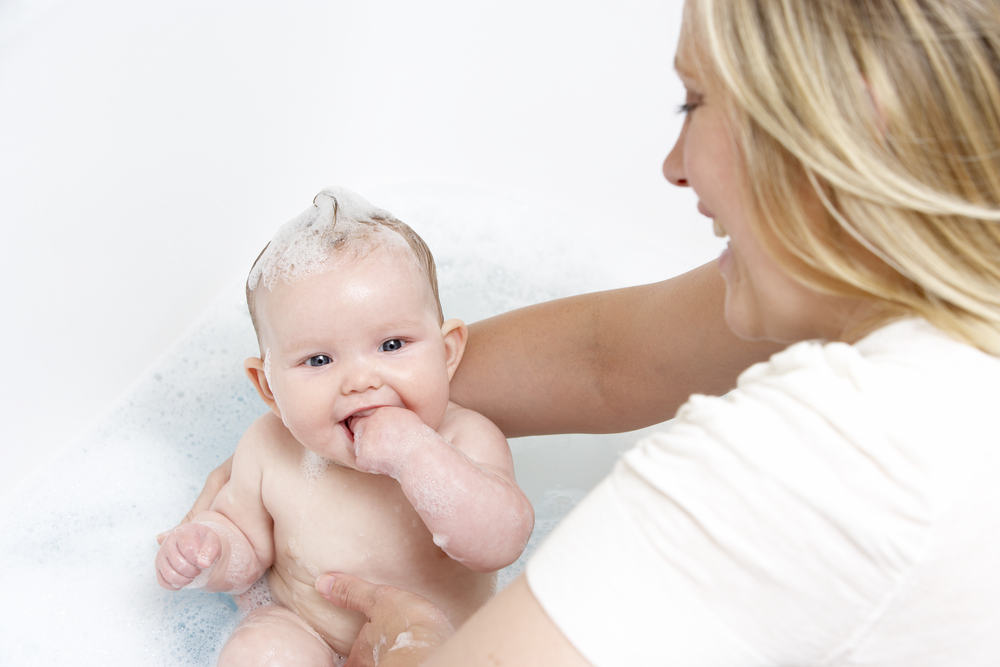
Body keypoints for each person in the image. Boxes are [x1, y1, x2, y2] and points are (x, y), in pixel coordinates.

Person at [177, 0, 1000, 664]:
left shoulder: (835, 455)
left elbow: (495, 538)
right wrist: (343, 395)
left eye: (696, 101)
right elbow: (607, 356)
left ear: (858, 113)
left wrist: (417, 644)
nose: (672, 165)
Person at [154, 187, 534, 664]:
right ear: (268, 386)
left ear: (448, 351)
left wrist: (418, 454)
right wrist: (209, 551)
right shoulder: (268, 447)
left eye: (392, 345)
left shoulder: (464, 439)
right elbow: (247, 547)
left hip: (438, 646)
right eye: (318, 359)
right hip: (305, 628)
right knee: (259, 650)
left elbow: (498, 543)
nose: (360, 380)